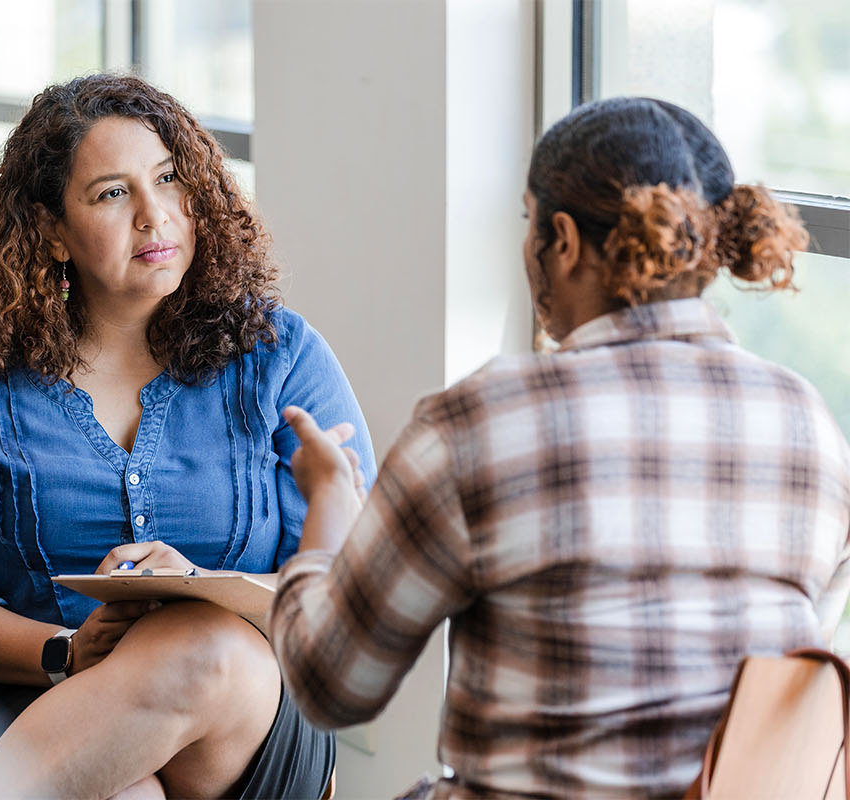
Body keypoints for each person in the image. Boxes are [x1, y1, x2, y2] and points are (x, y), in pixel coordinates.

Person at [271, 96, 850, 798]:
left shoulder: (484, 421)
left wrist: (329, 499)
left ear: (565, 240)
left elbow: (332, 687)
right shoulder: (810, 427)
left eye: (528, 221)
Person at [0, 73, 374, 800]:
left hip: (249, 712)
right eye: (112, 193)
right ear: (50, 230)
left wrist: (205, 592)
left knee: (205, 649)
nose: (155, 216)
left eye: (170, 180)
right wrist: (65, 652)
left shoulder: (279, 355)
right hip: (29, 701)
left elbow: (358, 588)